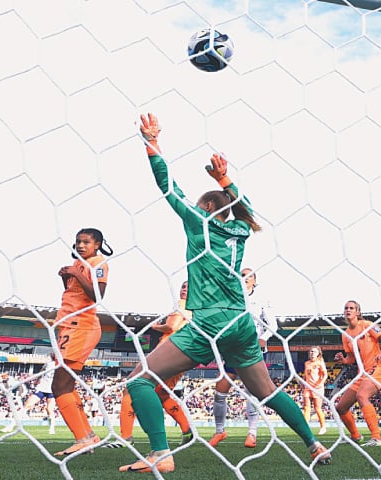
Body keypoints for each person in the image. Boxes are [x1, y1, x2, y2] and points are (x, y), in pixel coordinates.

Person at [118, 113, 330, 474]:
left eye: (201, 204)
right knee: (268, 391)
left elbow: (168, 188)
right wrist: (225, 179)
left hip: (211, 321)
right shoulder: (241, 231)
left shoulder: (199, 223)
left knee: (139, 379)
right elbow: (247, 208)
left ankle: (160, 453)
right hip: (241, 322)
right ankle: (314, 444)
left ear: (207, 208)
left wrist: (152, 143)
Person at [105, 280, 193, 449]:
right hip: (185, 354)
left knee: (132, 386)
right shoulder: (197, 310)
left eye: (189, 287)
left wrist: (156, 327)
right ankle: (187, 430)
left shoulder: (181, 304)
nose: (184, 289)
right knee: (162, 394)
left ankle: (126, 437)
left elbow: (172, 326)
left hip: (168, 351)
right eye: (183, 286)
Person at [50, 228, 112, 456]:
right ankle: (88, 436)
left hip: (81, 327)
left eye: (86, 242)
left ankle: (83, 438)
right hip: (69, 326)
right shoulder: (79, 264)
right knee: (66, 386)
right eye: (78, 241)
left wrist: (76, 274)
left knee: (59, 386)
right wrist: (67, 278)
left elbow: (97, 295)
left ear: (97, 244)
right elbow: (75, 295)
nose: (81, 245)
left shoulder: (98, 263)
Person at [208, 267, 278, 449]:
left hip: (253, 349)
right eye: (242, 275)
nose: (245, 278)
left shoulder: (262, 299)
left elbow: (273, 325)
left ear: (255, 281)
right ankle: (219, 431)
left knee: (251, 392)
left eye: (249, 276)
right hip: (233, 348)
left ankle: (252, 433)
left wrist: (264, 338)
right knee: (220, 391)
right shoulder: (231, 297)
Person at [333, 300, 381, 447]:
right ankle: (355, 436)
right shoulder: (345, 335)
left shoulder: (367, 325)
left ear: (358, 312)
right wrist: (343, 360)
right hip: (362, 374)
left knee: (362, 395)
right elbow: (351, 359)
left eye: (351, 308)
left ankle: (377, 438)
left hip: (378, 369)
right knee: (341, 407)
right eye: (346, 308)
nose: (348, 310)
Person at [1, 352, 59, 435]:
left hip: (52, 390)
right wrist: (37, 380)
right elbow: (41, 372)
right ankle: (11, 426)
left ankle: (52, 428)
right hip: (42, 388)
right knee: (27, 406)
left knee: (49, 409)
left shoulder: (60, 366)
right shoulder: (48, 364)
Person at [302, 346, 328, 435]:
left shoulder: (320, 362)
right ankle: (305, 427)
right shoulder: (306, 363)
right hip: (308, 387)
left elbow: (325, 374)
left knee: (317, 408)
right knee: (306, 407)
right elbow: (306, 375)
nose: (312, 353)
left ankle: (323, 427)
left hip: (317, 388)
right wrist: (303, 382)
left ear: (318, 353)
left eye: (314, 351)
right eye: (311, 351)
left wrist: (321, 383)